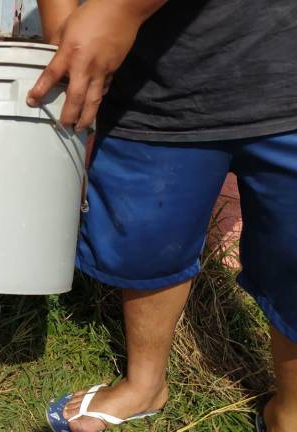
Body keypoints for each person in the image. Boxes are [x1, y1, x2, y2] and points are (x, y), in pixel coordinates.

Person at [26, 0, 297, 431]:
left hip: (285, 70)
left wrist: (120, 9)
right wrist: (61, 25)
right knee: (147, 242)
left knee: (294, 256)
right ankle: (145, 383)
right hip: (152, 90)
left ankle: (290, 410)